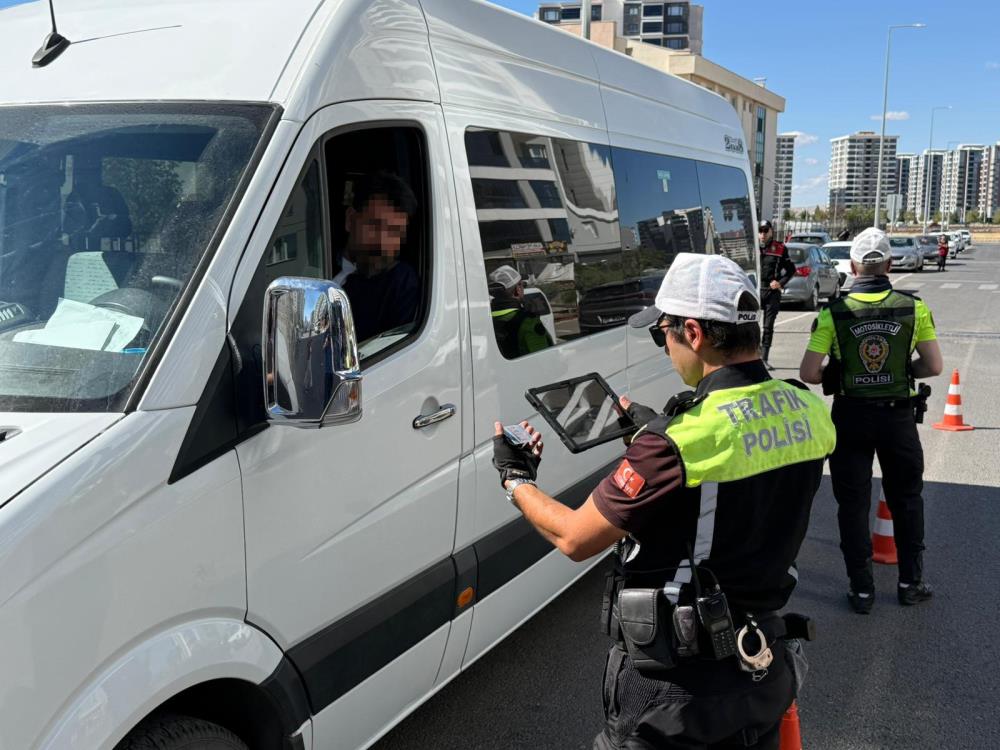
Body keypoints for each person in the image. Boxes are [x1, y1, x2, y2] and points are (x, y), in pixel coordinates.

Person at [492, 253, 836, 749]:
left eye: (663, 334)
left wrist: (515, 476)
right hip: (764, 670)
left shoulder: (675, 443)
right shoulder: (806, 406)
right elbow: (740, 463)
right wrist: (656, 429)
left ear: (693, 333)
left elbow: (574, 537)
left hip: (678, 696)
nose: (665, 348)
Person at [798, 227, 943, 614]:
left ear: (853, 265)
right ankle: (911, 583)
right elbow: (933, 365)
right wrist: (903, 371)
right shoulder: (914, 308)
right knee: (907, 499)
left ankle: (861, 590)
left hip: (850, 418)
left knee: (852, 504)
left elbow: (809, 373)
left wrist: (841, 373)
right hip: (897, 418)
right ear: (889, 264)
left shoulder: (833, 312)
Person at [338, 172, 420, 342]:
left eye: (394, 232)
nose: (382, 242)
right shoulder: (315, 263)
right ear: (350, 220)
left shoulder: (401, 284)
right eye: (374, 225)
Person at [488, 264, 554, 358]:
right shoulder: (528, 322)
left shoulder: (486, 320)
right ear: (517, 289)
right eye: (522, 284)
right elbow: (543, 359)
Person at [757, 220, 796, 370]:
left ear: (771, 231)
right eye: (760, 231)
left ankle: (764, 359)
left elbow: (791, 270)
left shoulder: (780, 248)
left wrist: (780, 283)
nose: (762, 234)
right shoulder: (753, 247)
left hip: (771, 292)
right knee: (750, 326)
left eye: (765, 230)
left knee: (768, 327)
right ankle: (751, 358)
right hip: (755, 291)